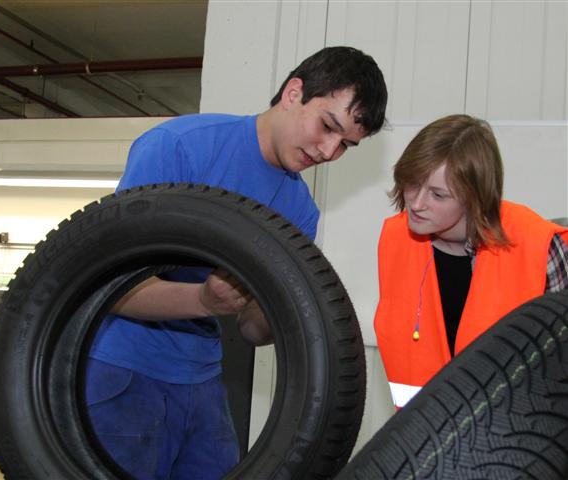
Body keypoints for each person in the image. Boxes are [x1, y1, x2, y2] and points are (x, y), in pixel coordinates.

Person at [86, 46, 388, 480]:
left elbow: (249, 327)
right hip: (124, 370)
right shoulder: (181, 148)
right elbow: (108, 287)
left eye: (346, 146)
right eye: (327, 126)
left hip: (203, 377)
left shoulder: (299, 210)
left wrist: (299, 306)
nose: (328, 151)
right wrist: (205, 300)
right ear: (293, 93)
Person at [374, 114, 568, 410]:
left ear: (474, 198)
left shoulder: (540, 246)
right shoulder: (396, 239)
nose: (416, 203)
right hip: (423, 431)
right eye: (412, 184)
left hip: (519, 434)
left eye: (438, 195)